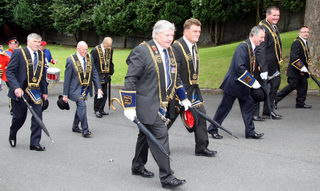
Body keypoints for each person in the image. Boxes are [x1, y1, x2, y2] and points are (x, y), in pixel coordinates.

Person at [122, 20, 190, 188]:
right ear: (156, 34)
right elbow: (130, 79)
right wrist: (129, 106)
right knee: (161, 136)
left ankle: (137, 166)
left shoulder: (170, 51)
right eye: (167, 35)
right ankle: (167, 177)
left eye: (172, 35)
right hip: (147, 105)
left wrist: (183, 97)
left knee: (145, 135)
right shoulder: (142, 51)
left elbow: (176, 77)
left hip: (162, 104)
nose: (170, 38)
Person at [166, 18, 217, 156]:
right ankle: (158, 144)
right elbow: (174, 73)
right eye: (195, 31)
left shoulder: (194, 45)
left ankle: (201, 147)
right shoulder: (176, 47)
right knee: (168, 119)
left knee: (201, 116)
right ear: (186, 31)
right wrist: (181, 95)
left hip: (193, 90)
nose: (198, 34)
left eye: (199, 31)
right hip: (178, 90)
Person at [207, 26, 265, 139]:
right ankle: (212, 129)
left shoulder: (252, 48)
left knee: (248, 107)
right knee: (224, 109)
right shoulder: (242, 47)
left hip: (244, 86)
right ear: (253, 35)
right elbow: (240, 68)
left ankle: (250, 132)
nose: (263, 40)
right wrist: (253, 83)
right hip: (233, 86)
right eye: (261, 37)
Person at [6, 33, 48, 151]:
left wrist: (45, 91)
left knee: (37, 117)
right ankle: (13, 132)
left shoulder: (41, 54)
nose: (37, 44)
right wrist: (16, 87)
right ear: (28, 41)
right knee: (19, 118)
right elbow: (10, 72)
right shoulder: (19, 52)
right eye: (35, 41)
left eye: (39, 42)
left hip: (36, 92)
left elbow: (43, 74)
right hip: (21, 91)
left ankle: (34, 143)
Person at [62, 41, 103, 138]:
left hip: (85, 88)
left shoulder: (89, 57)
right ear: (78, 49)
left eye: (87, 49)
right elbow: (67, 79)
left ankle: (75, 126)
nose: (86, 51)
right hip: (74, 89)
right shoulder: (70, 60)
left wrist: (99, 88)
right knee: (82, 105)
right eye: (84, 50)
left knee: (80, 107)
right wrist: (65, 94)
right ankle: (85, 130)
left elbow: (94, 73)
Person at [254, 6, 282, 120]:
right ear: (267, 15)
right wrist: (263, 67)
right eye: (274, 15)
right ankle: (254, 114)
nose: (276, 17)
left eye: (278, 15)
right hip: (263, 65)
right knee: (258, 89)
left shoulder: (273, 26)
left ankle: (268, 110)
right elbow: (260, 49)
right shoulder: (262, 28)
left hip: (274, 64)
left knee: (274, 85)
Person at [275, 26, 312, 109]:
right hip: (295, 71)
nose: (306, 33)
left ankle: (300, 103)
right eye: (304, 32)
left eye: (307, 32)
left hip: (302, 70)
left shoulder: (304, 42)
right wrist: (301, 68)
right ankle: (275, 99)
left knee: (303, 85)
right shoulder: (297, 43)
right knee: (292, 86)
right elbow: (294, 58)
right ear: (299, 33)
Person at [91, 37, 114, 118]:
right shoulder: (95, 51)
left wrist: (111, 71)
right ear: (104, 43)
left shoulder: (110, 50)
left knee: (105, 93)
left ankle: (101, 109)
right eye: (108, 45)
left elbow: (111, 61)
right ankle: (96, 110)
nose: (109, 47)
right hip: (98, 75)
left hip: (106, 74)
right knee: (99, 93)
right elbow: (91, 63)